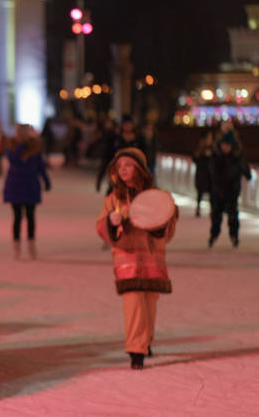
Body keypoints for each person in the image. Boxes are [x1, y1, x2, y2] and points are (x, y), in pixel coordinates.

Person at [96, 147, 177, 370]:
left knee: (149, 304)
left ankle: (146, 341)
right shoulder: (114, 199)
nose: (123, 170)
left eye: (128, 165)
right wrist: (112, 225)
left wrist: (161, 223)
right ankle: (136, 350)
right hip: (128, 261)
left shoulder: (156, 196)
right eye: (119, 166)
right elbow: (100, 226)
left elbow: (168, 223)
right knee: (134, 305)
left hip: (152, 260)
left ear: (139, 168)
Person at [3, 124, 51, 259]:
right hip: (15, 185)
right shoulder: (12, 145)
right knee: (17, 217)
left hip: (30, 185)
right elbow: (13, 160)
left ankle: (31, 244)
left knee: (30, 216)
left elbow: (40, 166)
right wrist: (21, 146)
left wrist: (46, 181)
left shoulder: (35, 147)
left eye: (24, 133)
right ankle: (16, 246)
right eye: (20, 133)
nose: (22, 135)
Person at [208, 132, 251, 248]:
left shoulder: (237, 157)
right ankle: (213, 235)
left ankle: (234, 236)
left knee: (233, 216)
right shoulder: (216, 156)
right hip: (218, 191)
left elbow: (246, 171)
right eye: (223, 144)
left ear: (231, 145)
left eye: (227, 145)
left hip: (232, 191)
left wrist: (246, 173)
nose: (224, 147)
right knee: (216, 215)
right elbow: (211, 172)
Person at [192, 130, 214, 217]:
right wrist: (202, 155)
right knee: (200, 191)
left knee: (212, 191)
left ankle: (212, 209)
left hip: (210, 173)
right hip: (202, 172)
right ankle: (198, 207)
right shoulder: (200, 147)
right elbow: (195, 158)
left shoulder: (213, 147)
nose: (210, 139)